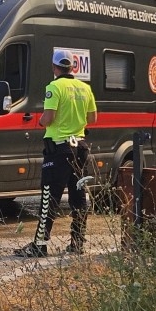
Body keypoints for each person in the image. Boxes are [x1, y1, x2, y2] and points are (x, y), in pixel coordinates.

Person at [14, 49, 98, 258]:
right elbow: (93, 118)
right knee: (78, 198)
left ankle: (40, 245)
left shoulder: (54, 87)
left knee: (49, 199)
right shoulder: (85, 88)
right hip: (80, 149)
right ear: (73, 67)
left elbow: (48, 118)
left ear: (54, 67)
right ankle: (77, 243)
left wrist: (42, 121)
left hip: (59, 151)